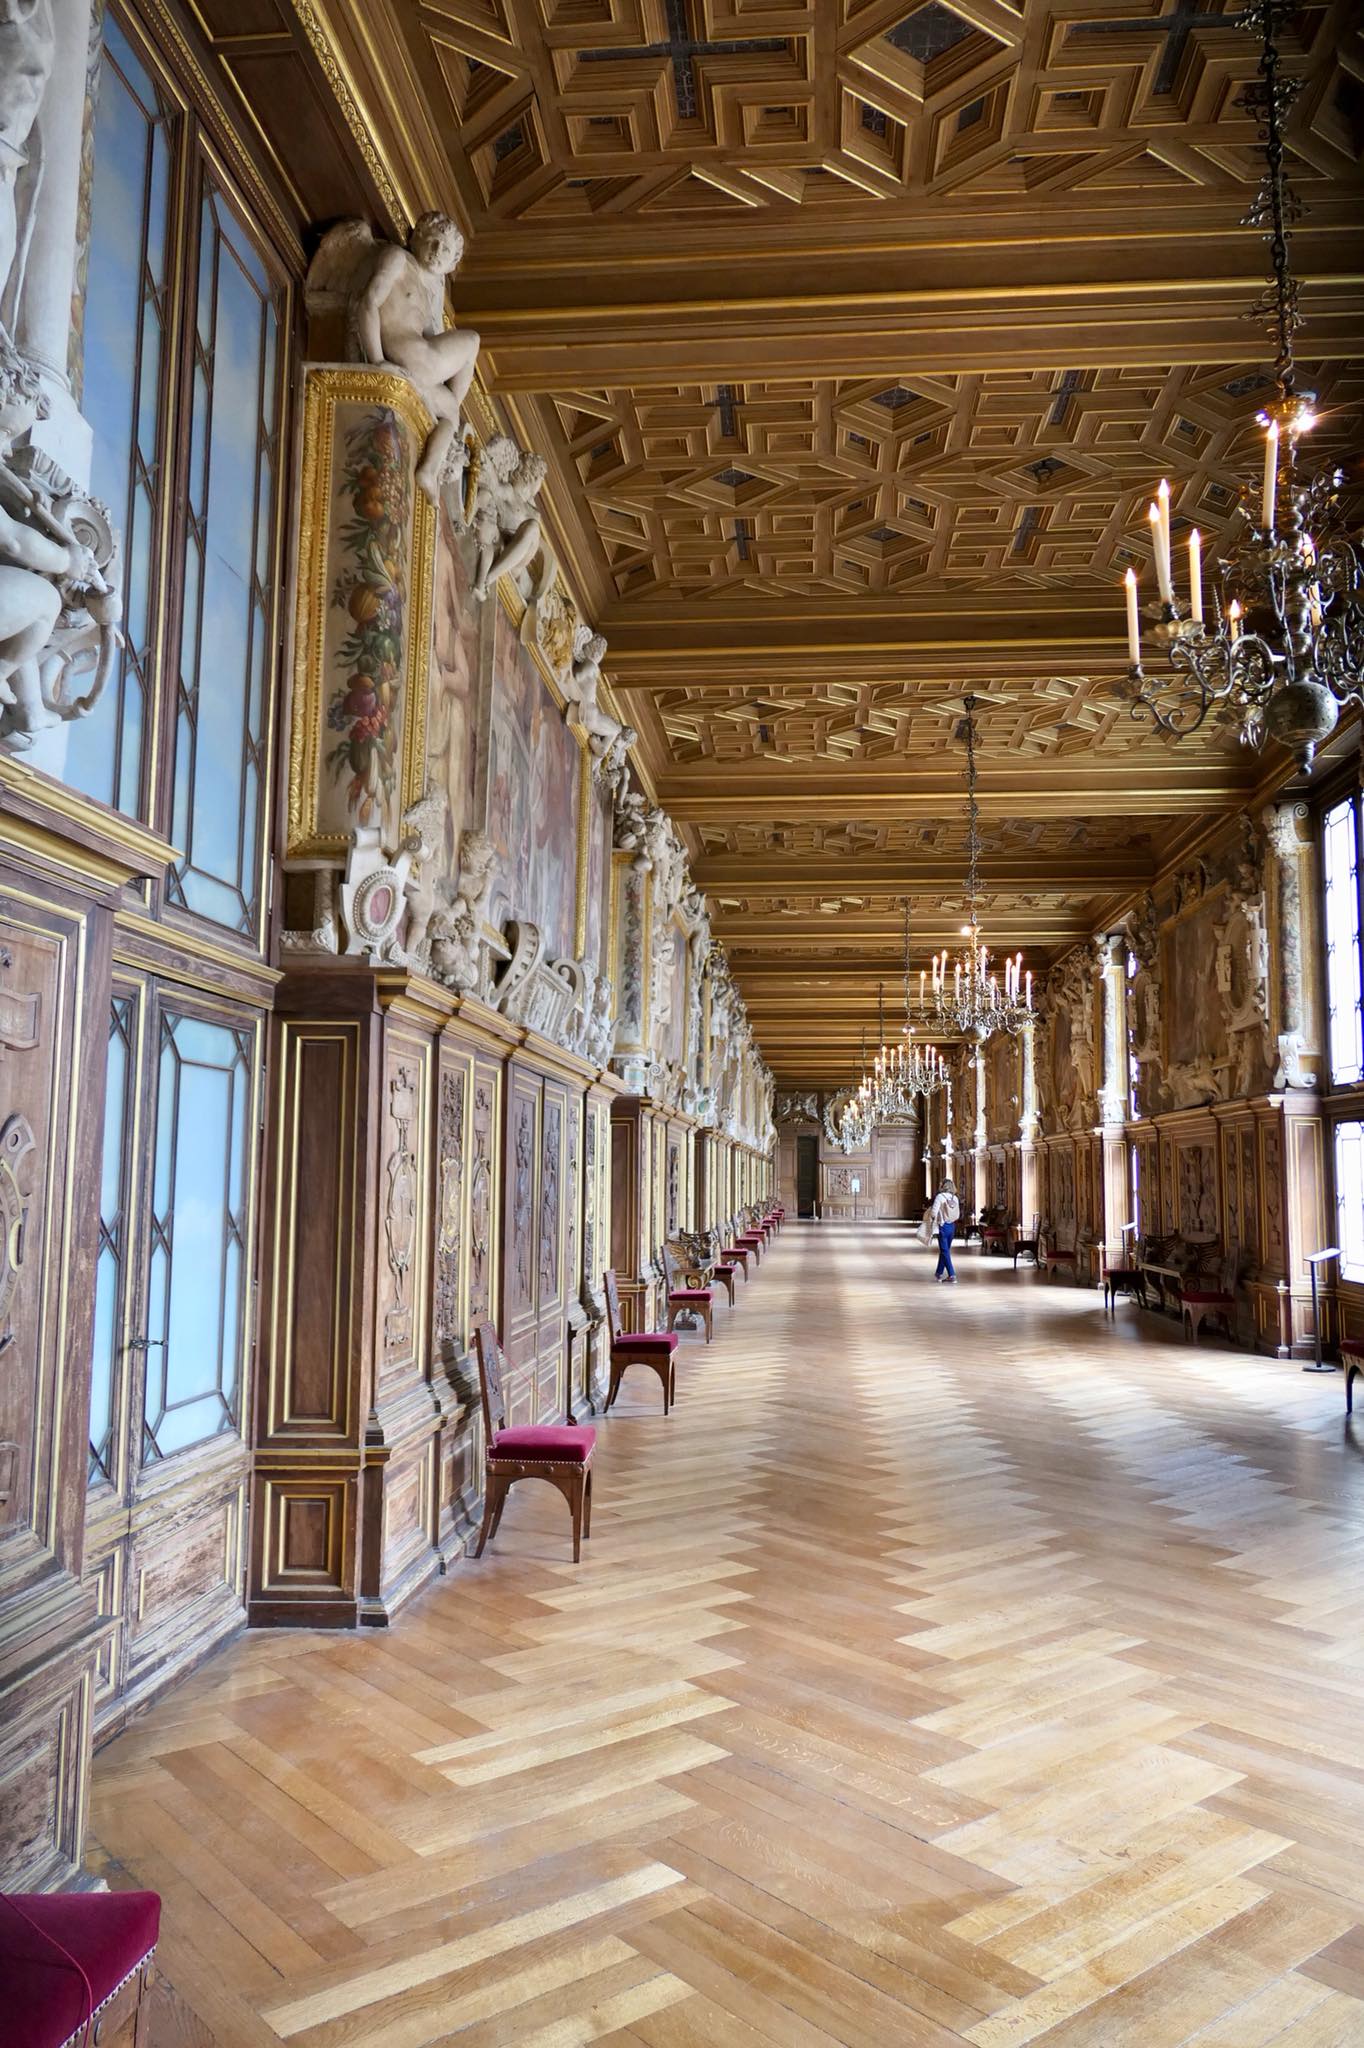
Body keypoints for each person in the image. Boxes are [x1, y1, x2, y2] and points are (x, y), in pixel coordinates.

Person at [926, 1179, 960, 1283]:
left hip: (943, 1226)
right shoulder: (955, 1198)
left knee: (945, 1251)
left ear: (943, 1186)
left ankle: (952, 1275)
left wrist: (930, 1217)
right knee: (945, 1251)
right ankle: (938, 1273)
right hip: (952, 1226)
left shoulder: (940, 1197)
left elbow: (933, 1213)